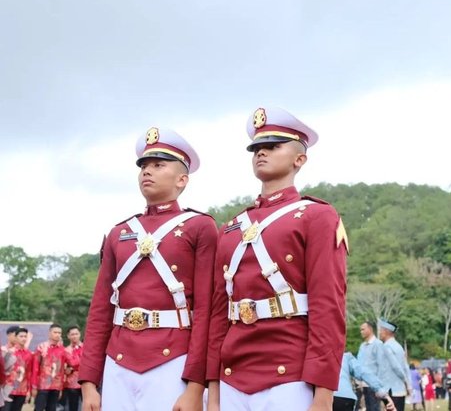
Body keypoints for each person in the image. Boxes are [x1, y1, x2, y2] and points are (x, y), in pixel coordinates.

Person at [206, 106, 348, 411]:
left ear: (300, 159)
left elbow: (328, 308)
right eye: (256, 148)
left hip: (290, 374)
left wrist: (323, 395)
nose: (261, 153)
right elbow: (219, 314)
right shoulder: (231, 228)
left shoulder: (318, 216)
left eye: (272, 146)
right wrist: (213, 391)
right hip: (232, 375)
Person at [79, 127, 218, 411]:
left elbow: (206, 311)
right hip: (117, 361)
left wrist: (195, 385)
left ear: (182, 179)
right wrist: (89, 382)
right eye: (143, 166)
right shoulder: (120, 232)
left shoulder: (199, 226)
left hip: (173, 360)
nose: (147, 171)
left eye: (158, 165)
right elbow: (100, 312)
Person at [31, 324, 79, 411]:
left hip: (56, 386)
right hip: (42, 385)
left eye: (59, 333)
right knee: (38, 408)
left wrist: (75, 350)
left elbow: (73, 363)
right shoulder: (41, 347)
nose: (57, 334)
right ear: (49, 333)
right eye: (55, 332)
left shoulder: (63, 350)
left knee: (52, 408)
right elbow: (35, 368)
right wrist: (34, 386)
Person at [378, 319, 412, 411]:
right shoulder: (399, 347)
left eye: (381, 330)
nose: (380, 333)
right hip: (400, 389)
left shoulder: (386, 347)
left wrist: (405, 380)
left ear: (386, 331)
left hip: (390, 389)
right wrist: (408, 384)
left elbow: (396, 367)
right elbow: (405, 367)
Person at [3, 327, 34, 411]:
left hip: (21, 390)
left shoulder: (29, 354)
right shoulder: (8, 352)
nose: (24, 338)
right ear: (16, 337)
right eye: (21, 336)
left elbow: (29, 373)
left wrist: (28, 391)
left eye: (25, 336)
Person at [357, 321, 384, 411]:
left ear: (370, 329)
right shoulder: (362, 346)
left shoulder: (378, 344)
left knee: (374, 408)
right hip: (363, 384)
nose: (361, 332)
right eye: (360, 330)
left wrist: (379, 387)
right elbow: (358, 366)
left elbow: (381, 366)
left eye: (363, 329)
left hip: (373, 385)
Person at [63, 326, 83, 411]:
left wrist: (72, 367)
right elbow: (66, 365)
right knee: (72, 407)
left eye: (76, 334)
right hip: (71, 382)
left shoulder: (86, 348)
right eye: (72, 334)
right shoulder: (65, 350)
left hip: (85, 381)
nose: (74, 336)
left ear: (80, 334)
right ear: (68, 336)